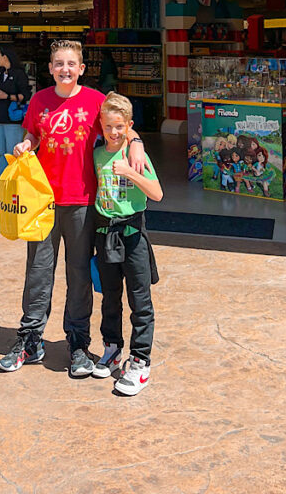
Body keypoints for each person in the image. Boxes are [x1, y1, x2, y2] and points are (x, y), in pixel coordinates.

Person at [0, 39, 147, 378]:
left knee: (78, 274)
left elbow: (122, 124)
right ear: (50, 69)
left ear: (81, 69)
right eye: (59, 63)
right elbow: (33, 134)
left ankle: (77, 343)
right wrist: (26, 144)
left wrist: (135, 144)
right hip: (42, 202)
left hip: (81, 201)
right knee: (38, 271)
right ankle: (31, 339)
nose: (65, 69)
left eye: (71, 63)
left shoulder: (95, 101)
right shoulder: (39, 100)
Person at [92, 92, 162, 395]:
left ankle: (140, 360)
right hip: (105, 235)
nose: (114, 132)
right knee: (109, 298)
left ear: (129, 126)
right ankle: (112, 348)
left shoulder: (136, 156)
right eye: (108, 126)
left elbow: (157, 193)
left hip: (133, 236)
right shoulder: (96, 153)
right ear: (101, 125)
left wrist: (132, 172)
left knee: (140, 302)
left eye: (120, 127)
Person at [0, 44, 32, 200]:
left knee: (13, 154)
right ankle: (3, 185)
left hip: (13, 120)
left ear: (5, 56)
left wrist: (7, 96)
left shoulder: (19, 74)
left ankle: (15, 186)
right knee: (0, 154)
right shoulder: (0, 73)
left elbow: (25, 95)